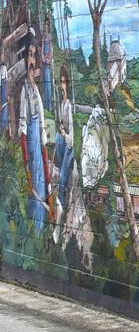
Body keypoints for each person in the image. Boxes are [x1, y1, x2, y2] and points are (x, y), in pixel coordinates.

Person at [18, 46, 49, 232]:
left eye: (34, 55)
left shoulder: (35, 89)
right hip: (31, 140)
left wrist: (43, 138)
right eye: (30, 55)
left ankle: (42, 223)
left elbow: (42, 118)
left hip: (38, 137)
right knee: (35, 181)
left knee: (42, 180)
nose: (32, 61)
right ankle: (36, 227)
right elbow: (23, 121)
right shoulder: (24, 90)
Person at [53, 65, 74, 215]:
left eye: (64, 82)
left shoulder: (70, 106)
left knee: (61, 180)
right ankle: (60, 168)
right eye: (61, 82)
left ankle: (62, 208)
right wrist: (60, 130)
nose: (62, 86)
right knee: (56, 137)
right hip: (63, 141)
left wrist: (64, 134)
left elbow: (71, 138)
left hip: (70, 145)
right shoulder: (62, 103)